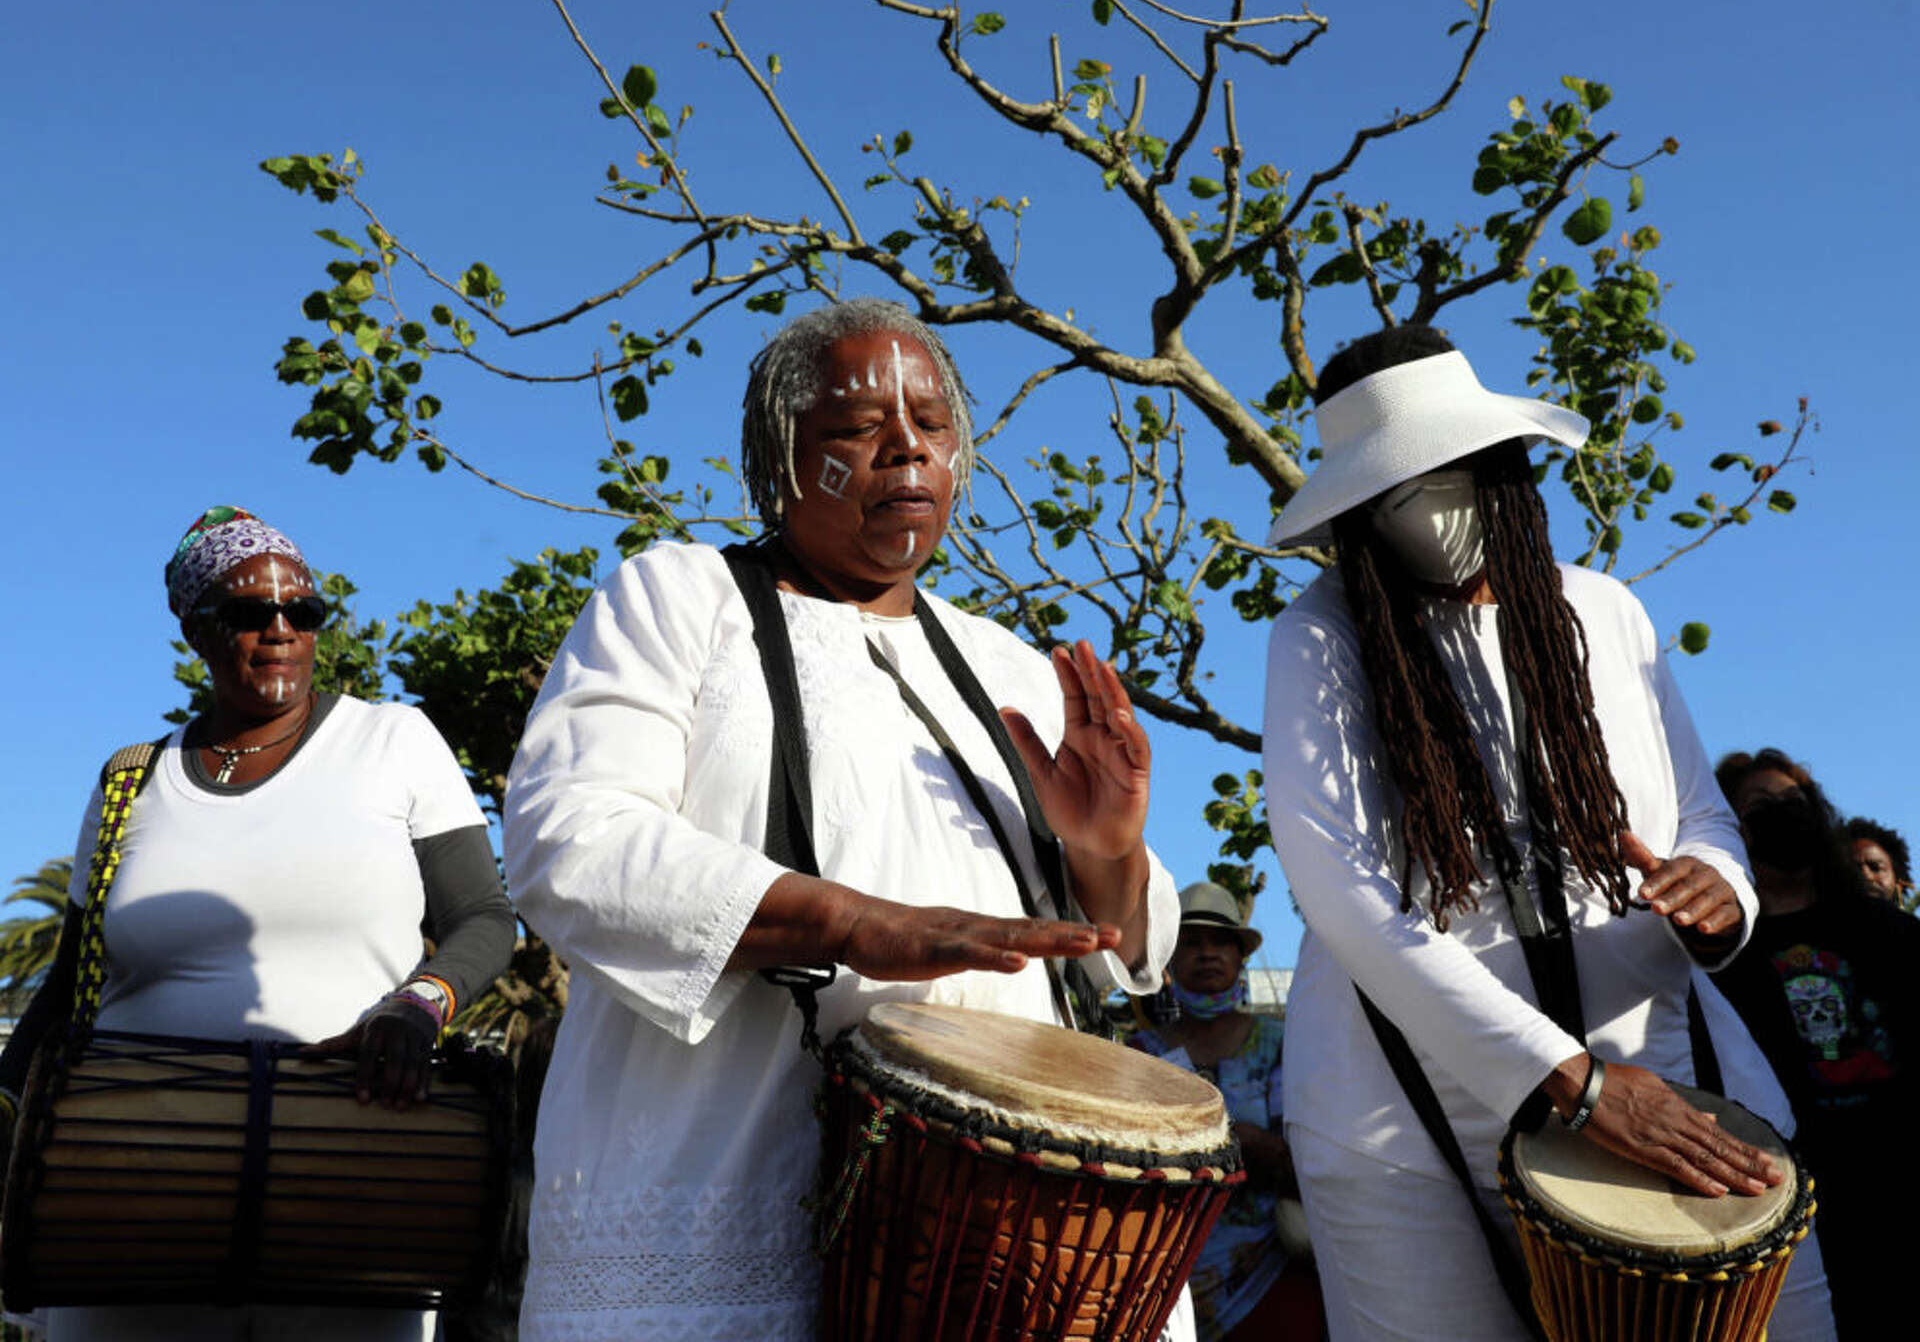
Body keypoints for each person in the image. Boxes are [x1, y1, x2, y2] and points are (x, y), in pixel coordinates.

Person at [502, 298, 1181, 1341]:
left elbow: (1120, 952)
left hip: (1000, 1239)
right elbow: (569, 839)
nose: (908, 447)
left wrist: (1108, 851)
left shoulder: (1011, 668)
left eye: (934, 424)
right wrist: (862, 924)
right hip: (715, 1191)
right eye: (861, 428)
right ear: (781, 455)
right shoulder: (679, 599)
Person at [1259, 326, 1834, 1341]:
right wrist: (1573, 1084)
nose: (1432, 513)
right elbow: (1341, 890)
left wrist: (1717, 889)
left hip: (1667, 1063)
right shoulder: (1324, 632)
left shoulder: (1607, 612)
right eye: (1398, 495)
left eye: (1451, 475)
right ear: (1357, 519)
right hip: (1406, 1114)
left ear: (1507, 469)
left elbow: (1700, 811)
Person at [0, 506, 517, 1342]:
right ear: (195, 630)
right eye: (248, 613)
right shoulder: (132, 780)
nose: (281, 630)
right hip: (127, 1196)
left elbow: (486, 919)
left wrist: (421, 1004)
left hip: (348, 1182)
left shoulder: (393, 741)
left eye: (301, 611)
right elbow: (69, 985)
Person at [1711, 751, 1920, 1339]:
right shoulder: (1721, 957)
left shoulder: (1890, 932)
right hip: (1792, 1204)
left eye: (1794, 805)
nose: (1783, 816)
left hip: (1901, 1184)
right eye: (1761, 808)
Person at [1129, 882, 1323, 1342]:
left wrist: (1214, 1140)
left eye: (1221, 942)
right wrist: (1244, 1143)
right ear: (1171, 963)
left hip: (1273, 1271)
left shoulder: (1282, 1041)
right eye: (1191, 944)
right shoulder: (1140, 1056)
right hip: (1168, 1277)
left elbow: (1303, 1162)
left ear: (1240, 958)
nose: (1207, 954)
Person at [1843, 815, 1909, 908]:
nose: (1867, 876)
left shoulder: (1906, 922)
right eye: (1854, 869)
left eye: (1875, 868)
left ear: (1898, 882)